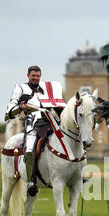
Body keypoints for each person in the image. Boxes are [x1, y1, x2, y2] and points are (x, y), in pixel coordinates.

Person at [6, 66, 66, 196]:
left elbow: (58, 107)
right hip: (32, 124)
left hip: (50, 123)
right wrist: (20, 107)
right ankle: (31, 181)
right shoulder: (20, 88)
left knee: (69, 140)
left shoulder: (47, 90)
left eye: (38, 76)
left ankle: (77, 174)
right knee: (28, 150)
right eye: (33, 75)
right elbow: (9, 112)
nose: (36, 78)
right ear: (28, 75)